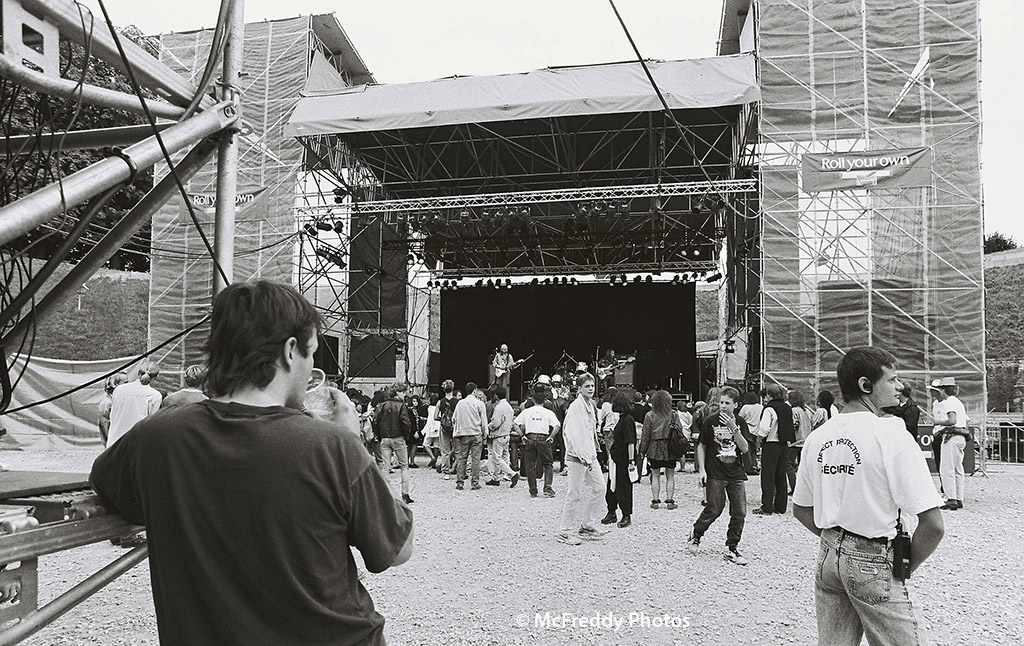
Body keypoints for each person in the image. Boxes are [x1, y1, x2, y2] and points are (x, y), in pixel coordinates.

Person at [90, 280, 413, 646]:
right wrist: (355, 442)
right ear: (290, 351)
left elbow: (110, 488)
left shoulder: (156, 436)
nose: (311, 368)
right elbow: (397, 550)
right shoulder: (333, 446)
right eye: (311, 354)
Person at [793, 346, 944, 646]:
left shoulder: (818, 437)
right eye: (892, 379)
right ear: (865, 385)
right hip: (873, 557)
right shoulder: (890, 434)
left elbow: (801, 509)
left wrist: (839, 543)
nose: (900, 386)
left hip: (828, 557)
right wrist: (901, 568)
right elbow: (933, 525)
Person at [686, 386, 750, 565]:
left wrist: (734, 428)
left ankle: (731, 547)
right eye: (721, 402)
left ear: (735, 405)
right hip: (715, 471)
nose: (723, 406)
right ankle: (696, 534)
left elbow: (745, 448)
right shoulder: (710, 421)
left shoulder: (740, 422)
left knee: (739, 512)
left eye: (727, 403)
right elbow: (702, 445)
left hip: (735, 472)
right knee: (714, 508)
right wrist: (702, 470)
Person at [556, 373, 608, 545]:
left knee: (600, 487)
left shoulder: (590, 404)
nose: (591, 389)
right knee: (574, 494)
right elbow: (571, 433)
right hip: (577, 457)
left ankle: (587, 524)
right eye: (587, 386)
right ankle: (564, 531)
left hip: (590, 455)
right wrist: (582, 455)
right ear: (579, 389)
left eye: (592, 386)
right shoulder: (575, 407)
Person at [752, 383, 794, 515]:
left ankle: (767, 506)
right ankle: (781, 506)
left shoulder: (769, 409)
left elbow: (765, 428)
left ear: (769, 395)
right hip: (783, 445)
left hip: (771, 445)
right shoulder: (787, 407)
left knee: (768, 476)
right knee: (781, 476)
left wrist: (758, 440)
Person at [930, 377, 970, 510]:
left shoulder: (949, 402)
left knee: (946, 468)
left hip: (951, 436)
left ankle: (950, 498)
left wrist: (938, 422)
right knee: (958, 468)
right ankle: (958, 498)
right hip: (961, 436)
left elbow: (952, 421)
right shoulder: (957, 401)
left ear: (943, 390)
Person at [514, 385, 561, 498]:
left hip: (529, 438)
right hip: (543, 438)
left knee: (530, 465)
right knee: (548, 464)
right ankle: (547, 488)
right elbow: (557, 425)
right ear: (544, 400)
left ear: (533, 400)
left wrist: (522, 435)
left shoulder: (526, 411)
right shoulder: (548, 412)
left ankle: (533, 490)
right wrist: (551, 436)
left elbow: (515, 423)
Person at [600, 389, 637, 528]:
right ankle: (612, 511)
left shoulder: (627, 420)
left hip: (622, 459)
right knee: (613, 485)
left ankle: (626, 514)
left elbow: (630, 441)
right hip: (616, 458)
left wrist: (631, 461)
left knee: (623, 487)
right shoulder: (623, 418)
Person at [640, 390, 681, 510]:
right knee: (670, 475)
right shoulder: (673, 414)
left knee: (655, 475)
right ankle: (669, 501)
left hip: (654, 446)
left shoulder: (649, 415)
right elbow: (679, 429)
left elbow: (646, 435)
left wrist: (643, 450)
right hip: (670, 446)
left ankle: (655, 501)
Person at [107, 360, 163, 447]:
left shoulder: (119, 389)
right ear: (156, 378)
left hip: (114, 442)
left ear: (138, 374)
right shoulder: (155, 395)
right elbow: (151, 424)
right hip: (136, 444)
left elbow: (113, 415)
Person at [376, 383, 415, 504]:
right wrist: (406, 436)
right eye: (403, 392)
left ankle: (385, 495)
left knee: (386, 466)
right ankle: (405, 494)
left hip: (385, 438)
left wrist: (379, 435)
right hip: (398, 437)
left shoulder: (381, 405)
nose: (405, 395)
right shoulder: (401, 405)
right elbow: (406, 423)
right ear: (398, 392)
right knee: (404, 466)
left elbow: (375, 421)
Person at [452, 382, 488, 491]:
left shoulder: (460, 403)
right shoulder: (479, 404)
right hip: (476, 433)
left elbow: (454, 419)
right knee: (475, 459)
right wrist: (485, 433)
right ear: (474, 391)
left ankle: (460, 482)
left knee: (462, 458)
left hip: (463, 433)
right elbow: (484, 421)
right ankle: (475, 483)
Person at [485, 386, 520, 488]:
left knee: (496, 458)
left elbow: (496, 423)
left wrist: (488, 426)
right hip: (506, 434)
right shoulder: (508, 406)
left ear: (496, 395)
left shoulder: (499, 407)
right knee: (505, 456)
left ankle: (512, 474)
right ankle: (496, 478)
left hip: (499, 435)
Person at [787, 390, 814, 495]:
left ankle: (795, 488)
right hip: (806, 441)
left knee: (789, 465)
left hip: (795, 442)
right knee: (803, 467)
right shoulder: (807, 411)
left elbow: (794, 425)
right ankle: (805, 489)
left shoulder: (794, 411)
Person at [97, 372, 129, 447]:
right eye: (125, 383)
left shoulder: (116, 400)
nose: (128, 386)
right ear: (115, 384)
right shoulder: (108, 404)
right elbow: (109, 432)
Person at [436, 380, 458, 478]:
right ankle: (457, 468)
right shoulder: (457, 402)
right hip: (455, 427)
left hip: (444, 428)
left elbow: (435, 416)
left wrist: (443, 420)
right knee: (457, 449)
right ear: (453, 389)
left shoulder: (440, 402)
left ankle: (446, 472)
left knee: (445, 450)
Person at [737, 391, 763, 475]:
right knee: (754, 450)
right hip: (757, 431)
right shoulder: (760, 407)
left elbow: (740, 418)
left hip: (747, 430)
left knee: (747, 450)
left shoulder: (745, 407)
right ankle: (754, 465)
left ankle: (748, 467)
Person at [421, 393, 441, 469]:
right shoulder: (439, 408)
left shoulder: (430, 408)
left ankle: (432, 457)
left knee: (425, 444)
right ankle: (434, 463)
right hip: (438, 428)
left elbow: (430, 420)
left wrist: (424, 430)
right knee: (436, 446)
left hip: (431, 428)